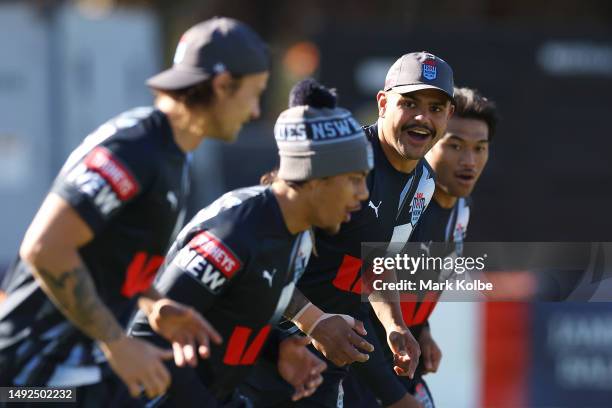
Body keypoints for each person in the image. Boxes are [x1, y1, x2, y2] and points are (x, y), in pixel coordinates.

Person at [0, 16, 269, 406]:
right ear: (222, 85)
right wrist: (117, 342)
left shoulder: (173, 157)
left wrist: (154, 303)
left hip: (79, 376)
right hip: (27, 384)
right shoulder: (135, 148)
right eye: (254, 93)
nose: (257, 110)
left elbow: (111, 257)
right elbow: (45, 248)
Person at [127, 87, 373, 407]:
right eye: (354, 179)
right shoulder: (233, 234)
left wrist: (277, 349)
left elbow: (234, 311)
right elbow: (148, 334)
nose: (364, 193)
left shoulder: (296, 231)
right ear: (314, 178)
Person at [242, 51, 456, 407]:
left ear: (448, 115)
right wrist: (310, 320)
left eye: (436, 108)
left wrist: (395, 325)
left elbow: (375, 266)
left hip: (325, 364)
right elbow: (261, 256)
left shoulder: (425, 185)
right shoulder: (337, 159)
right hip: (267, 356)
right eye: (410, 103)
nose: (422, 117)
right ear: (383, 103)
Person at [344, 86, 498, 408]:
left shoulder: (461, 208)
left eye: (480, 148)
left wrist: (422, 329)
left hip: (400, 369)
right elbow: (354, 296)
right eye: (454, 145)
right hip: (355, 372)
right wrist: (394, 396)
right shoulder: (398, 202)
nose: (469, 161)